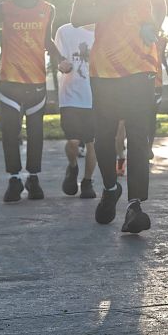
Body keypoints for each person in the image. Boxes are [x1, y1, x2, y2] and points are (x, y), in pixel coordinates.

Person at [71, 0, 166, 235]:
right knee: (105, 135)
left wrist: (152, 26)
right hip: (106, 69)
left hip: (141, 67)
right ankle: (111, 187)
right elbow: (77, 16)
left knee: (139, 138)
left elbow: (160, 8)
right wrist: (115, 4)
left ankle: (135, 205)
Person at [0, 0, 60, 202]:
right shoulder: (3, 9)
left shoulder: (48, 9)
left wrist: (61, 59)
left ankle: (33, 178)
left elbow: (48, 40)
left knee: (36, 133)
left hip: (37, 81)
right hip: (10, 81)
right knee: (10, 132)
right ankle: (14, 179)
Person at [54, 15, 97, 198]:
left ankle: (87, 182)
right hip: (70, 96)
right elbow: (58, 58)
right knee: (72, 143)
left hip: (96, 98)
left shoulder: (106, 32)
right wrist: (61, 65)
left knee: (92, 144)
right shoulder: (66, 31)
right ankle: (72, 168)